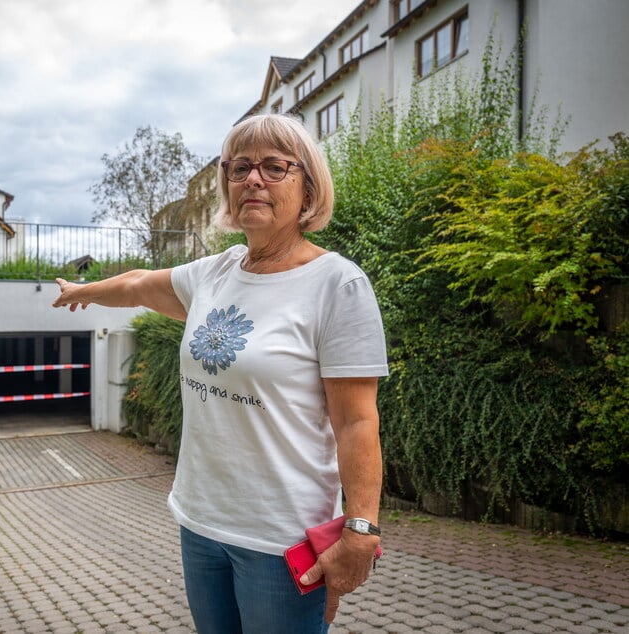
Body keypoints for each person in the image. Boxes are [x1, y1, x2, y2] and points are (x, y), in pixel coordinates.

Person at [53, 113, 387, 633]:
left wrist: (361, 530)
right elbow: (140, 282)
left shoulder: (337, 285)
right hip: (200, 523)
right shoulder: (215, 273)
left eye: (275, 167)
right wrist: (84, 292)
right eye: (240, 168)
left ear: (309, 188)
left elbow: (357, 423)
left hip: (283, 541)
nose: (253, 179)